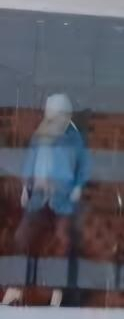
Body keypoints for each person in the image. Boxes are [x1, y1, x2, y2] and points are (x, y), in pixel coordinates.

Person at [12, 94, 90, 306]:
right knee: (22, 237)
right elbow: (30, 161)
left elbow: (84, 165)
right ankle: (17, 285)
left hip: (62, 198)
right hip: (38, 196)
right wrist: (26, 188)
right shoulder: (39, 137)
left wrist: (78, 187)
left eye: (58, 117)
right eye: (51, 117)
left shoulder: (75, 140)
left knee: (62, 241)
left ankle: (57, 290)